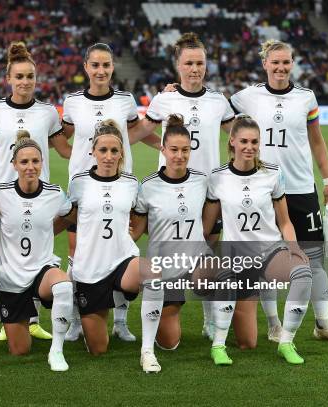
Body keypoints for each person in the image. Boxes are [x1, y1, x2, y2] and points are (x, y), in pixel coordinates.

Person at [230, 39, 328, 343]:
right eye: (275, 62)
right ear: (265, 64)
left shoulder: (306, 98)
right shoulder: (247, 97)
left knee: (315, 260)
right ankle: (274, 324)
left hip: (302, 188)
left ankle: (323, 324)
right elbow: (217, 112)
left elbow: (317, 141)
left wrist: (327, 181)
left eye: (286, 62)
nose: (281, 67)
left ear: (292, 63)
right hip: (264, 190)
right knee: (266, 261)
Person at [130, 32, 235, 339]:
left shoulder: (218, 102)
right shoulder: (165, 99)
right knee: (167, 253)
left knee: (209, 251)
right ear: (178, 66)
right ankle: (163, 302)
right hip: (169, 190)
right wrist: (158, 148)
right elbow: (139, 131)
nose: (195, 68)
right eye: (189, 63)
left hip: (208, 192)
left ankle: (208, 320)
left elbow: (238, 134)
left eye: (200, 63)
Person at [62, 43, 160, 342]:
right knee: (76, 251)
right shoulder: (72, 102)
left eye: (106, 65)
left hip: (120, 185)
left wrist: (164, 145)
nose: (101, 71)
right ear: (86, 67)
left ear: (112, 67)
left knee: (122, 246)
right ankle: (77, 319)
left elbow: (132, 135)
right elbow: (63, 138)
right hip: (83, 188)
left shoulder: (125, 101)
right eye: (95, 65)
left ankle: (120, 320)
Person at [0, 41, 71, 341]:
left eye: (30, 76)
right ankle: (12, 316)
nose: (25, 82)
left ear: (36, 78)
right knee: (6, 253)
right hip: (1, 195)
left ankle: (31, 320)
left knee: (36, 249)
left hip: (37, 193)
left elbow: (65, 150)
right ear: (9, 79)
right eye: (19, 77)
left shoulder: (47, 113)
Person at [202, 115, 313, 365]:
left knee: (303, 272)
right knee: (247, 342)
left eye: (254, 141)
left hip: (270, 251)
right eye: (243, 141)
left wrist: (294, 248)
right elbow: (208, 228)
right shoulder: (217, 177)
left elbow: (284, 221)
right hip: (237, 256)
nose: (249, 147)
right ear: (232, 141)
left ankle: (286, 341)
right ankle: (218, 346)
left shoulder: (272, 174)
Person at [57, 120, 164, 373]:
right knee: (98, 349)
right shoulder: (78, 183)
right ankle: (93, 306)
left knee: (153, 272)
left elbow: (138, 219)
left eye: (114, 151)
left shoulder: (130, 183)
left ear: (121, 154)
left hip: (122, 262)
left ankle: (147, 351)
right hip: (90, 271)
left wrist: (129, 235)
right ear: (92, 152)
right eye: (103, 150)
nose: (108, 156)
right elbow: (68, 220)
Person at [0, 131, 74, 372]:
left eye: (35, 161)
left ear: (42, 163)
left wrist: (47, 233)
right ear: (14, 165)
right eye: (24, 162)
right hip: (10, 277)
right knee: (20, 350)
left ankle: (57, 350)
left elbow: (69, 216)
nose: (30, 167)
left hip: (42, 269)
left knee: (64, 285)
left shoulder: (55, 194)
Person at [131, 114, 212, 351]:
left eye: (185, 150)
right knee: (169, 344)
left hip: (196, 257)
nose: (179, 155)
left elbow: (210, 218)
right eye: (174, 149)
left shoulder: (201, 182)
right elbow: (138, 229)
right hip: (164, 264)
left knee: (218, 272)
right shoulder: (148, 186)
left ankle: (214, 324)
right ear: (163, 149)